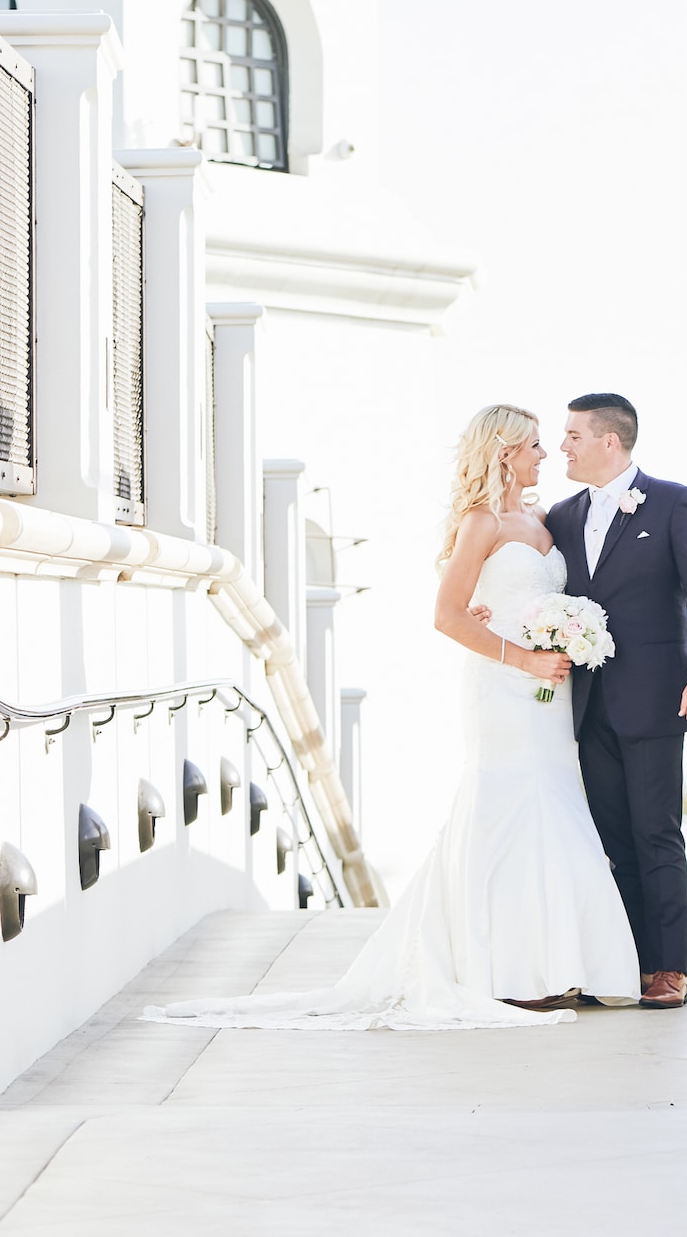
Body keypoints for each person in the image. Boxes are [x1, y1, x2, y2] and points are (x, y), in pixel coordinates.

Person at [143, 404, 639, 1030]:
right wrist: (523, 658)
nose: (546, 455)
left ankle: (558, 964)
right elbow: (448, 615)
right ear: (504, 452)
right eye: (535, 445)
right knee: (508, 807)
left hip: (549, 689)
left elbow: (535, 598)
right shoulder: (480, 522)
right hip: (503, 689)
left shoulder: (544, 518)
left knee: (556, 802)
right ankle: (503, 972)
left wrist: (565, 639)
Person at [543, 393, 687, 1011]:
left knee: (656, 834)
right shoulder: (562, 516)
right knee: (609, 838)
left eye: (573, 435)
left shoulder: (675, 502)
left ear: (609, 441)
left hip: (657, 700)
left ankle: (667, 969)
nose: (562, 446)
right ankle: (623, 966)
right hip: (586, 701)